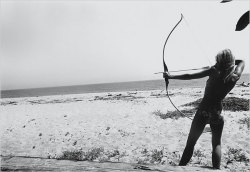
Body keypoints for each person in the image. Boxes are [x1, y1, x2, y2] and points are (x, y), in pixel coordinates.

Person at [163, 49, 245, 169]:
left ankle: (180, 169)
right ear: (231, 62)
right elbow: (242, 61)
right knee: (217, 144)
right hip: (217, 112)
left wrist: (171, 76)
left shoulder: (213, 71)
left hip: (203, 112)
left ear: (219, 61)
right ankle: (216, 170)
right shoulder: (235, 75)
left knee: (190, 144)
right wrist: (228, 63)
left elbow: (189, 76)